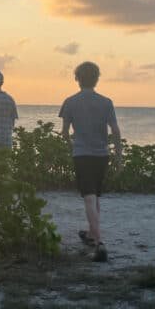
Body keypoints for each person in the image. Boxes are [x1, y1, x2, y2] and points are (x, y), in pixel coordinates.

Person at [59, 61, 122, 262]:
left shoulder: (70, 101)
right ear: (96, 79)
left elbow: (64, 132)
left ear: (77, 79)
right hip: (102, 154)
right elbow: (116, 131)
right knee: (94, 195)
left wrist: (71, 145)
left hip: (82, 153)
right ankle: (91, 234)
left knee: (88, 197)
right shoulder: (106, 102)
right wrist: (119, 156)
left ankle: (99, 242)